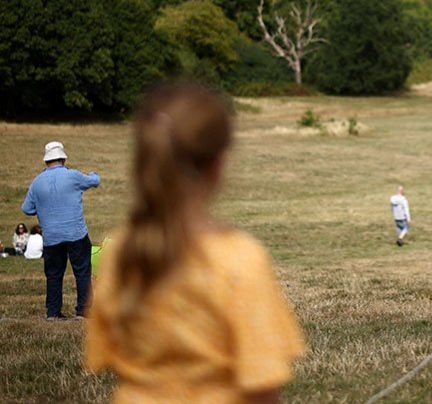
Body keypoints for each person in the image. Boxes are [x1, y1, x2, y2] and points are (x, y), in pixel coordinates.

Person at [84, 82, 303, 401]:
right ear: (218, 164)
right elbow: (263, 387)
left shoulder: (119, 251)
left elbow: (108, 358)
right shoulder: (241, 258)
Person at [21, 141, 99, 320]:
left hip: (51, 237)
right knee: (82, 271)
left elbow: (26, 208)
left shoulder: (37, 182)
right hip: (76, 233)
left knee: (54, 275)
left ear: (46, 161)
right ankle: (83, 312)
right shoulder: (72, 175)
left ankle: (53, 313)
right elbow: (95, 181)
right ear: (63, 158)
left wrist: (42, 207)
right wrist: (93, 174)